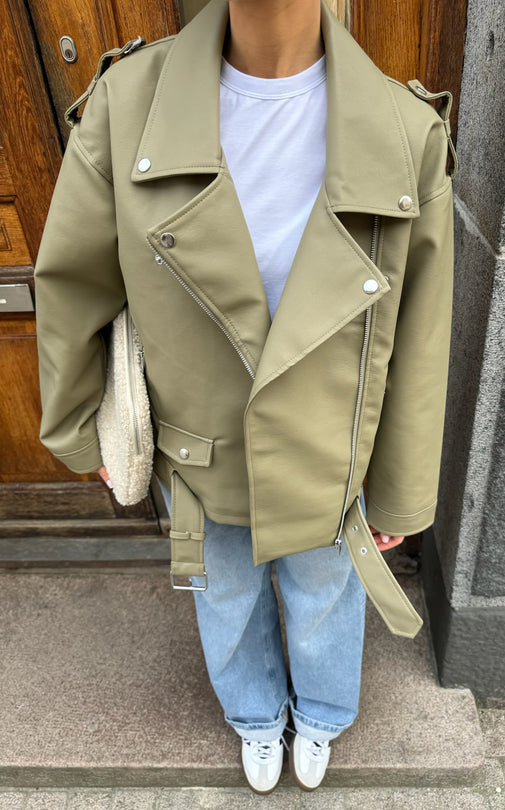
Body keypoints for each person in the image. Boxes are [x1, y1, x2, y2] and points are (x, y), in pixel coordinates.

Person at [33, 0, 456, 795]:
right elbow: (71, 283)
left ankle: (323, 710)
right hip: (197, 444)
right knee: (222, 589)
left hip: (330, 447)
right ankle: (255, 713)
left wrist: (400, 488)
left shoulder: (405, 133)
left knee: (326, 589)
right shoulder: (128, 107)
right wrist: (85, 428)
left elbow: (419, 333)